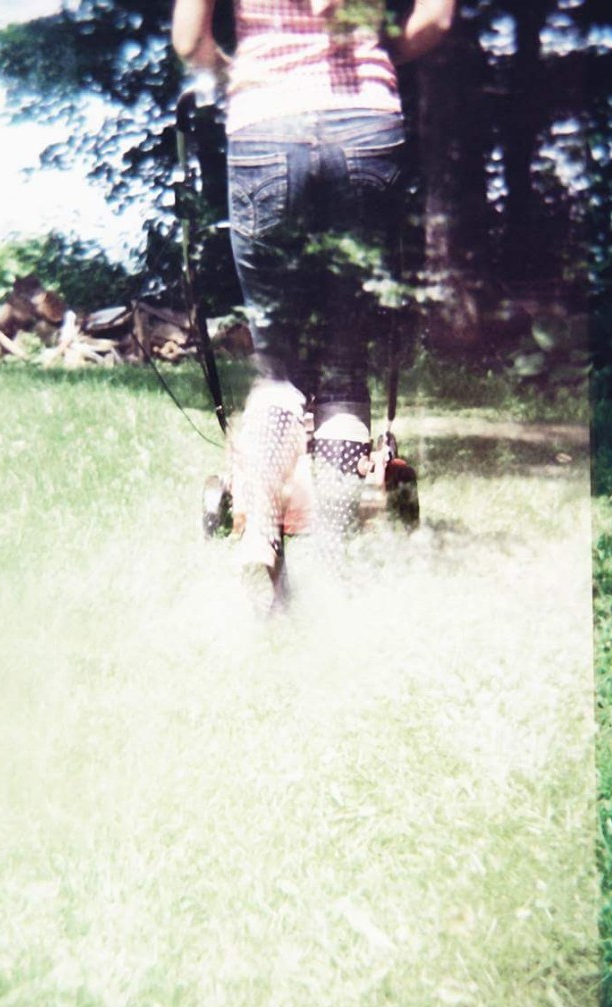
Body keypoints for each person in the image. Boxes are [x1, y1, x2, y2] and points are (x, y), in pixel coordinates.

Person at [171, 0, 454, 607]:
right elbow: (434, 20)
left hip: (265, 124)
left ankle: (262, 533)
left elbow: (190, 39)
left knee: (278, 370)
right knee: (345, 370)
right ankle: (334, 553)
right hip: (367, 128)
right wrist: (376, 53)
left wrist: (240, 70)